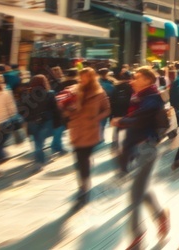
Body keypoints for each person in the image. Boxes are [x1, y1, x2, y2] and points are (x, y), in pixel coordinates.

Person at [113, 67, 170, 249]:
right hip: (136, 146)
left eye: (136, 78)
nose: (132, 81)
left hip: (147, 148)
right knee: (143, 189)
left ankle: (138, 236)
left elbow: (140, 120)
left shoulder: (151, 98)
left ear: (147, 80)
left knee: (135, 193)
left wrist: (121, 121)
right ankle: (160, 215)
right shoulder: (140, 97)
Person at [61, 68, 111, 202]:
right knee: (79, 160)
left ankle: (84, 186)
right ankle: (83, 181)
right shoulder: (73, 90)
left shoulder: (99, 93)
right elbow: (65, 109)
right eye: (81, 77)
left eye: (86, 77)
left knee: (83, 159)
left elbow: (107, 109)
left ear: (92, 78)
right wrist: (67, 109)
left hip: (90, 130)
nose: (82, 80)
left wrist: (96, 118)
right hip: (76, 130)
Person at [22, 75, 60, 169]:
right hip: (46, 121)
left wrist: (26, 122)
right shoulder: (50, 93)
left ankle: (38, 161)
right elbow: (55, 109)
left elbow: (24, 111)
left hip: (32, 122)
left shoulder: (27, 95)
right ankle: (39, 161)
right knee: (40, 142)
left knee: (36, 142)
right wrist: (57, 121)